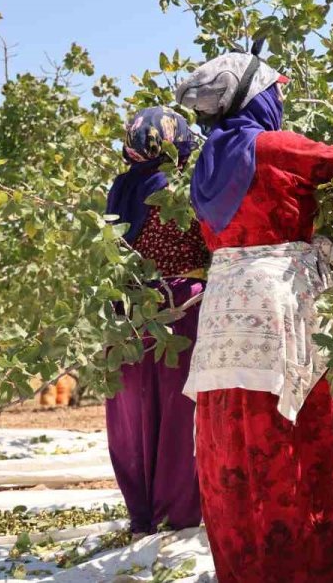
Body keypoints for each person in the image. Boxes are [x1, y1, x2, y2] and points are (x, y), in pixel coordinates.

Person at [174, 51, 333, 583]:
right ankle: (304, 566)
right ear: (255, 98)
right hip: (281, 304)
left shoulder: (209, 161)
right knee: (297, 429)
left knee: (237, 433)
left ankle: (246, 566)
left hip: (225, 307)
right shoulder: (273, 146)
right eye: (275, 92)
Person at [103, 106, 206, 536]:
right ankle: (178, 513)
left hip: (128, 314)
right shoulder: (183, 187)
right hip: (181, 310)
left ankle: (143, 514)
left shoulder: (120, 189)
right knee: (181, 415)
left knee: (135, 416)